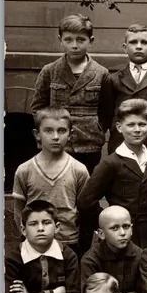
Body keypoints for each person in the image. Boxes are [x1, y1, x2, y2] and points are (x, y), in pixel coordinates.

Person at [30, 14, 109, 174]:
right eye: (68, 40)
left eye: (80, 40)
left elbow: (106, 110)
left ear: (91, 41)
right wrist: (49, 131)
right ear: (60, 40)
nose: (74, 45)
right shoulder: (50, 71)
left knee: (85, 188)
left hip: (89, 142)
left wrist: (98, 128)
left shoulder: (101, 73)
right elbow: (38, 107)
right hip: (56, 141)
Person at [78, 98, 147, 247]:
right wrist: (109, 223)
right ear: (119, 127)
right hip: (119, 238)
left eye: (142, 124)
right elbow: (85, 201)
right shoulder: (111, 163)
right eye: (131, 125)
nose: (137, 130)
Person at [13, 107, 89, 255]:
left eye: (61, 131)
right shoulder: (25, 170)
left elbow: (84, 211)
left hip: (68, 243)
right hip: (35, 243)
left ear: (70, 135)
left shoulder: (79, 170)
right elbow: (18, 211)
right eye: (48, 130)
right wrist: (28, 237)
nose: (55, 136)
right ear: (37, 134)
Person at [100, 24, 147, 158]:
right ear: (125, 48)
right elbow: (106, 115)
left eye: (145, 42)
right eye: (133, 42)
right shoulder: (113, 79)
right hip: (120, 143)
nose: (139, 46)